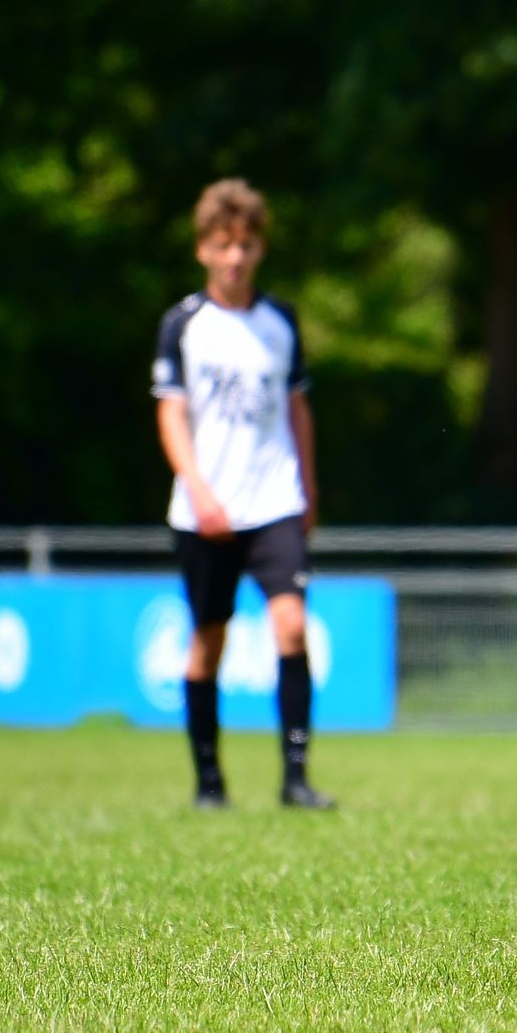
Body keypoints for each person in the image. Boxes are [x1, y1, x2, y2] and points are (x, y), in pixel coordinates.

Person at [152, 179, 333, 812]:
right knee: (209, 642)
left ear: (260, 249)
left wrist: (307, 484)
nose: (235, 257)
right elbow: (171, 414)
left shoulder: (280, 321)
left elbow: (297, 406)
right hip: (204, 509)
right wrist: (199, 491)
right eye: (224, 245)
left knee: (292, 626)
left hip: (274, 500)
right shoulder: (183, 323)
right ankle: (209, 782)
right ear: (203, 249)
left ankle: (295, 779)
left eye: (246, 245)